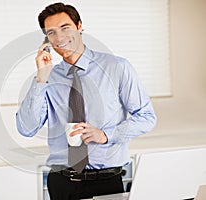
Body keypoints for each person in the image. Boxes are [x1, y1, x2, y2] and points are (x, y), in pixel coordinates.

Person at [16, 2, 156, 200]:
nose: (60, 37)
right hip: (62, 183)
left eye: (65, 28)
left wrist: (105, 135)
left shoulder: (117, 67)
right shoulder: (46, 78)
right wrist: (41, 77)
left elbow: (147, 117)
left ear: (79, 26)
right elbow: (26, 128)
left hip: (107, 183)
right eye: (52, 32)